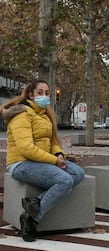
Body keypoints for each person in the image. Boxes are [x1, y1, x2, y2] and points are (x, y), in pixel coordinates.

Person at [0, 80, 85, 242]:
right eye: (40, 93)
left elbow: (53, 142)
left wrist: (58, 154)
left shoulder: (45, 115)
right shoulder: (21, 114)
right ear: (31, 94)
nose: (44, 96)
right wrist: (54, 161)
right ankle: (32, 220)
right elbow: (26, 148)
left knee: (78, 173)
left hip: (41, 161)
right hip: (20, 163)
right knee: (65, 180)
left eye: (47, 93)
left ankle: (34, 204)